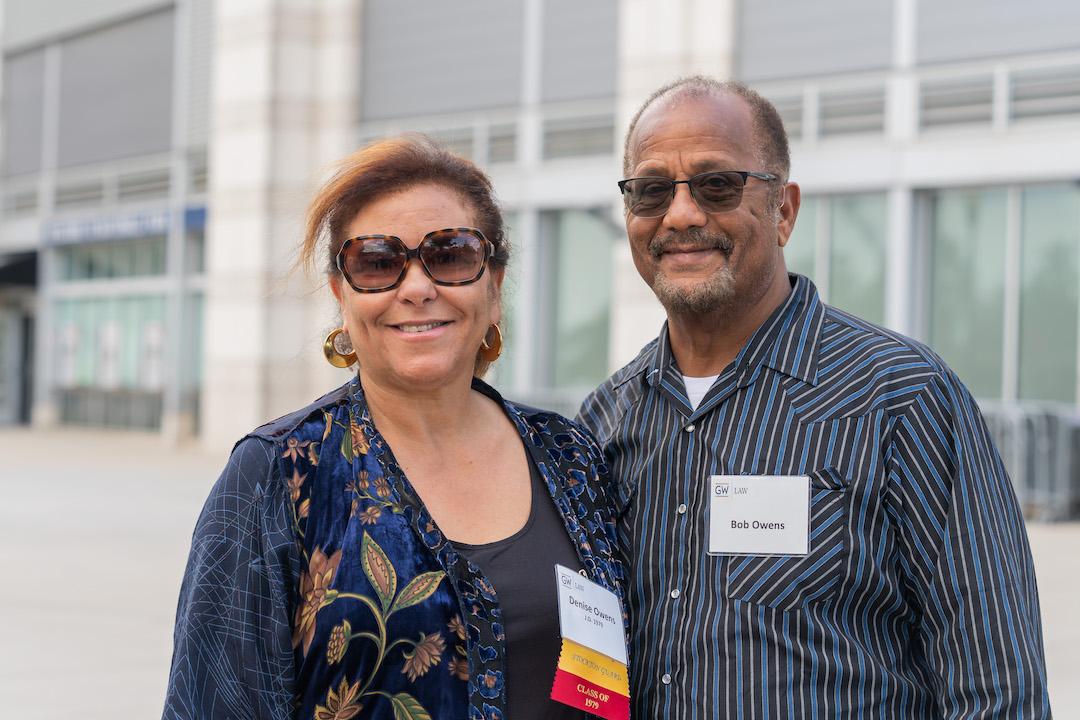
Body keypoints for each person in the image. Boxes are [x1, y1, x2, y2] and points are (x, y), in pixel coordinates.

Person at [578, 76, 1051, 719]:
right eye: (652, 190)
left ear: (785, 211)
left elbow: (997, 689)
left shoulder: (899, 398)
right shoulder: (604, 423)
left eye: (718, 185)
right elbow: (591, 674)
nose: (681, 215)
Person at [163, 136, 625, 720]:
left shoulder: (568, 455)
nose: (415, 287)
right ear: (341, 295)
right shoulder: (279, 473)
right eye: (377, 262)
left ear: (495, 287)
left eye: (451, 255)